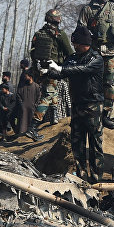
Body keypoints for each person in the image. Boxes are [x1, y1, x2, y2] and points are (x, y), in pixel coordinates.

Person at [45, 25, 105, 182]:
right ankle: (82, 176)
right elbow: (61, 73)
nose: (74, 46)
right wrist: (46, 70)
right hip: (77, 106)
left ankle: (96, 177)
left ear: (83, 43)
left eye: (76, 43)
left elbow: (82, 70)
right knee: (77, 144)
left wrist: (61, 68)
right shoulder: (72, 58)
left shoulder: (96, 58)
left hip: (93, 106)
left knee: (95, 143)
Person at [77, 0, 114, 129]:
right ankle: (91, 112)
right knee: (91, 84)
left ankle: (106, 115)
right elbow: (80, 31)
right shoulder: (88, 9)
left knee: (109, 84)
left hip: (111, 53)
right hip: (94, 53)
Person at [30, 9, 74, 140]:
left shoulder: (39, 33)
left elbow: (32, 52)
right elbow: (70, 52)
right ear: (58, 20)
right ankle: (33, 126)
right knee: (48, 95)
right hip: (53, 69)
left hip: (41, 69)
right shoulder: (59, 34)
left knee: (52, 92)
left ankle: (54, 117)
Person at [15, 70, 40, 139]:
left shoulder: (36, 86)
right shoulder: (22, 86)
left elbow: (39, 96)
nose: (25, 77)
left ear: (30, 77)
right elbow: (18, 95)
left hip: (33, 108)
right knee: (23, 122)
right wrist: (21, 104)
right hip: (23, 108)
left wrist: (36, 104)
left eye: (26, 76)